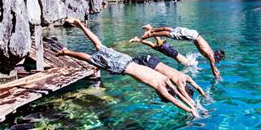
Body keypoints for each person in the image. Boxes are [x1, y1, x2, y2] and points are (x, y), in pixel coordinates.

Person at [56, 18, 200, 117]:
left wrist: (192, 104)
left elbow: (178, 93)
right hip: (121, 67)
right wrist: (191, 110)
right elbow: (175, 99)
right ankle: (66, 52)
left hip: (127, 59)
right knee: (91, 59)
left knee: (99, 46)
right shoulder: (160, 86)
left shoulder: (165, 79)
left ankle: (80, 25)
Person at [138, 25, 225, 79]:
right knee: (170, 34)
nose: (216, 61)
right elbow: (214, 70)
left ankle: (151, 29)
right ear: (217, 57)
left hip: (194, 34)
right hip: (192, 36)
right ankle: (150, 34)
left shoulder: (210, 51)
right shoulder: (211, 56)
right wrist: (218, 78)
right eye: (218, 60)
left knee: (172, 30)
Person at [132, 54, 207, 105]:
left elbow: (197, 87)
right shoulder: (179, 83)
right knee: (129, 65)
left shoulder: (186, 77)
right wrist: (194, 105)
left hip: (154, 61)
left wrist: (205, 96)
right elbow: (184, 96)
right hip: (149, 64)